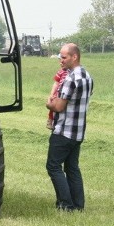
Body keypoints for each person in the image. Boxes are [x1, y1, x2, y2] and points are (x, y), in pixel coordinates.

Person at [45, 43, 93, 211]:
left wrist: (49, 104)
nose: (61, 60)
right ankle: (78, 205)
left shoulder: (70, 79)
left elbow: (59, 107)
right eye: (60, 57)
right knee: (72, 168)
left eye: (64, 57)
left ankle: (65, 205)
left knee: (53, 166)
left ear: (75, 57)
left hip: (64, 131)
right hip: (78, 132)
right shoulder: (87, 76)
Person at [47, 58, 68, 130]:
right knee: (53, 107)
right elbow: (56, 83)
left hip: (66, 94)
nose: (61, 63)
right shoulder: (61, 72)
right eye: (60, 61)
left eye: (63, 61)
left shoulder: (72, 73)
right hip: (58, 94)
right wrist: (52, 94)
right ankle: (50, 121)